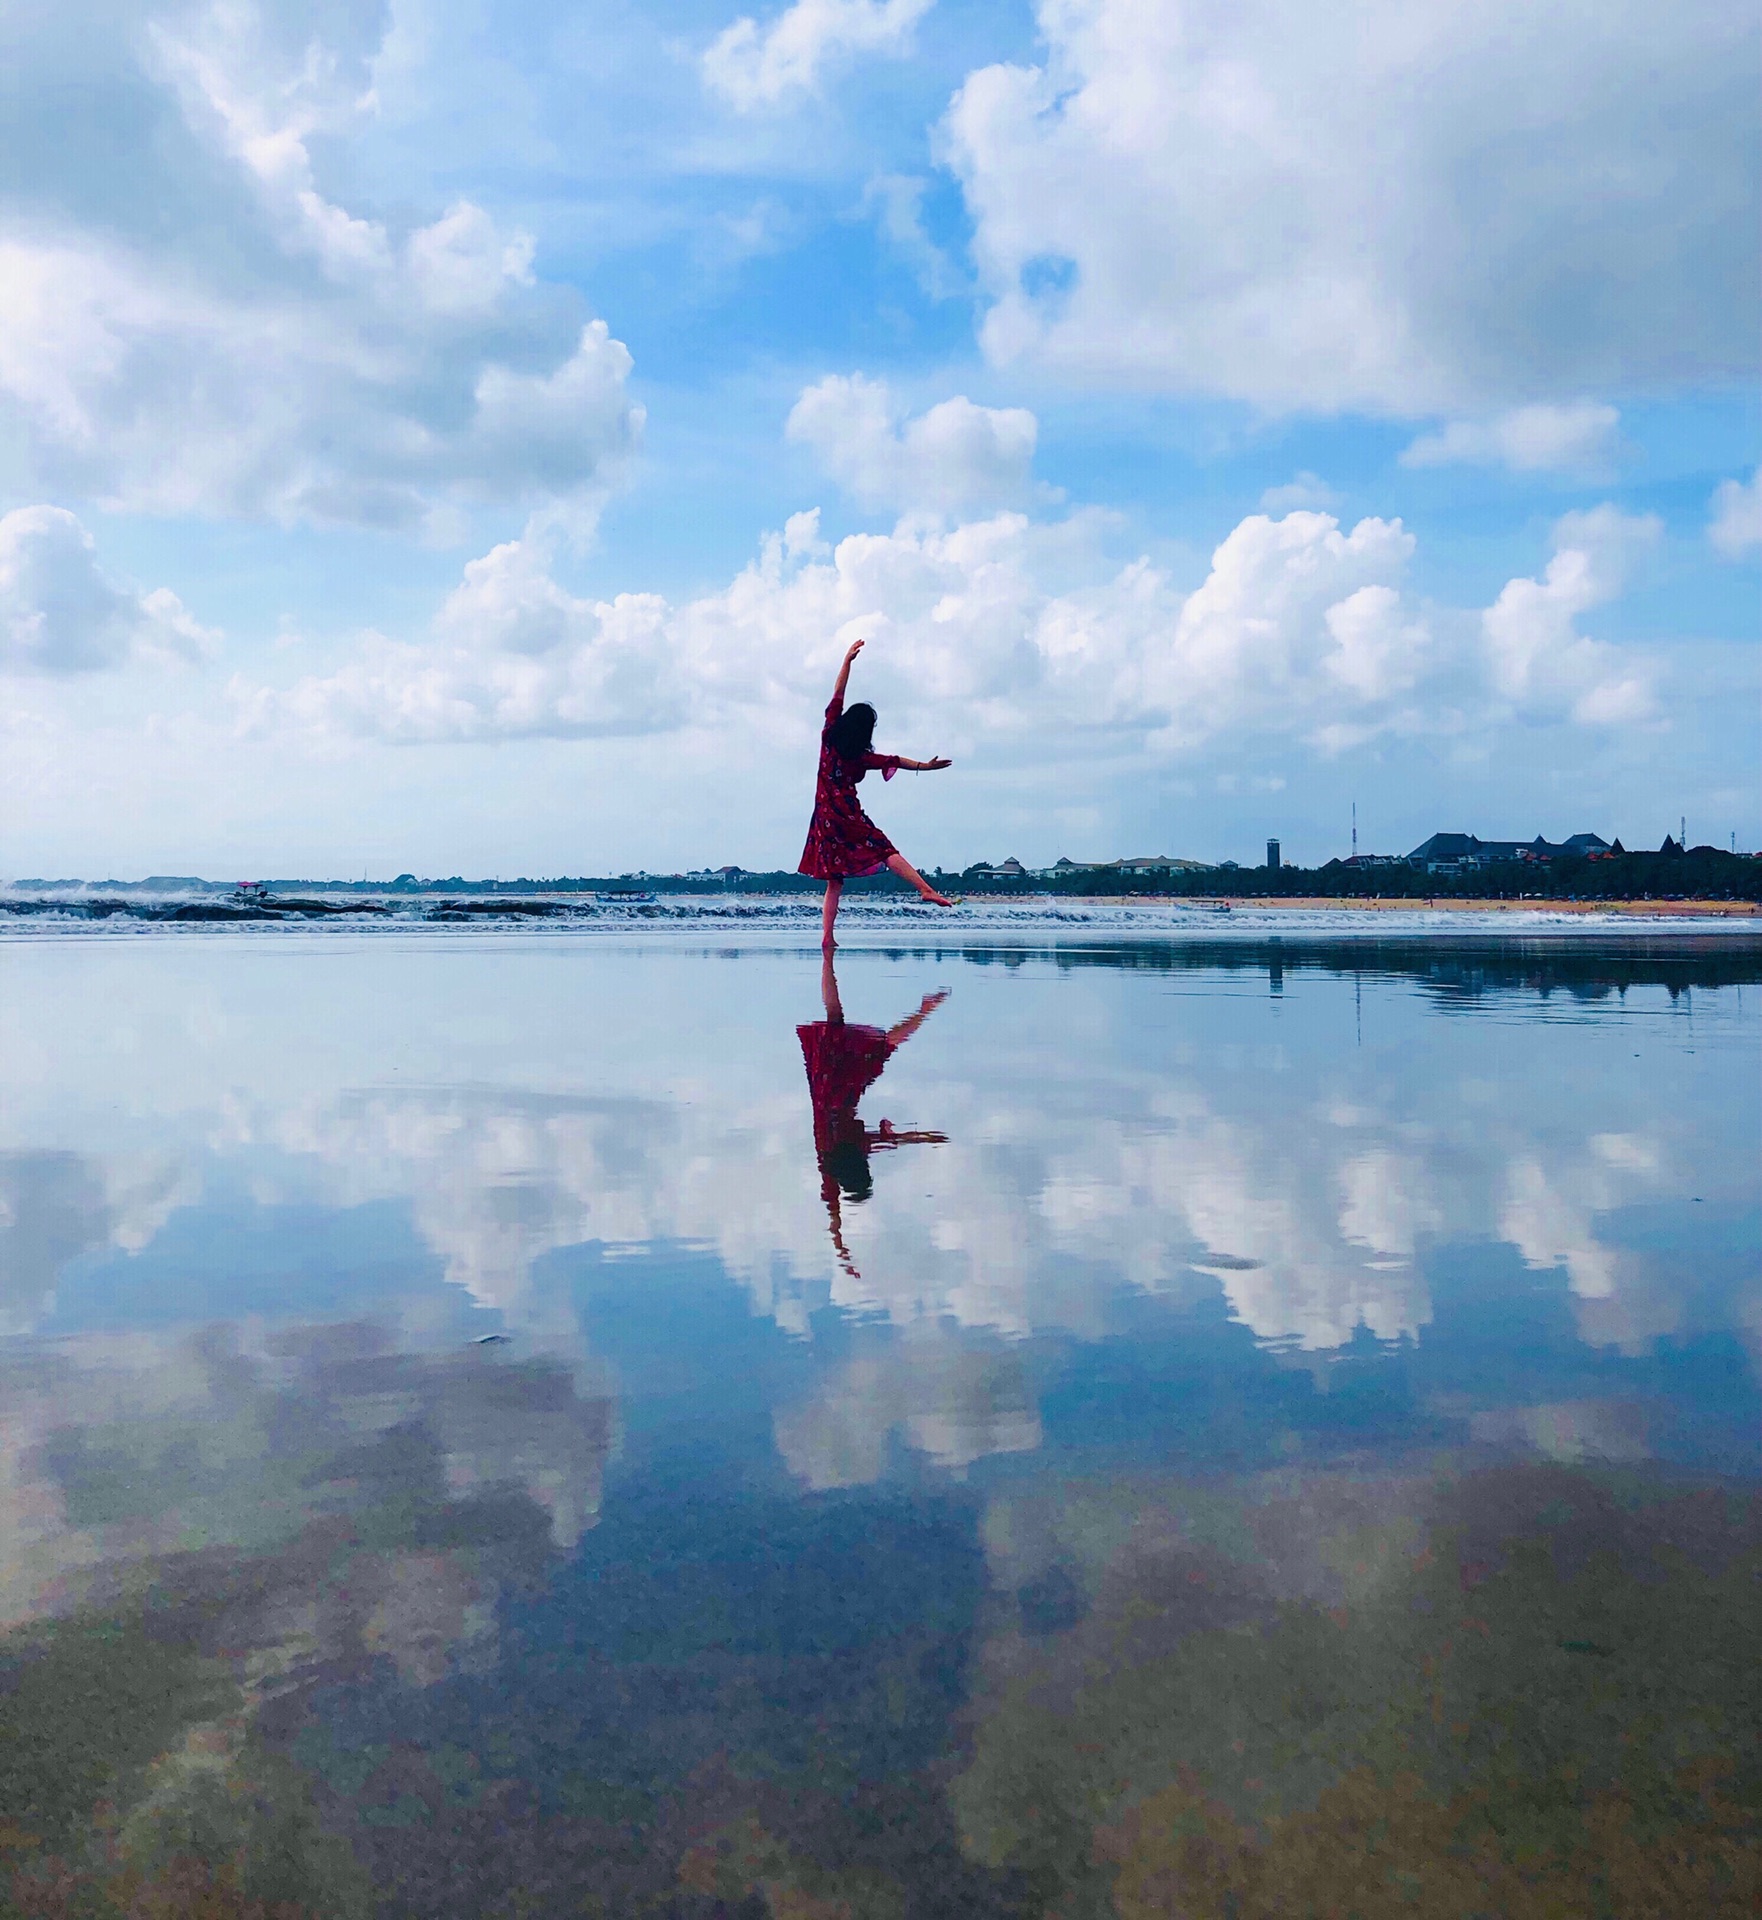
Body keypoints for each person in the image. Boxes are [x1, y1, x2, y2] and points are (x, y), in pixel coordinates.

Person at [797, 951, 947, 1278]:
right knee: (842, 1022)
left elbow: (892, 1143)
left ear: (860, 1168)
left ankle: (924, 1009)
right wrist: (840, 1249)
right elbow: (833, 1214)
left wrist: (925, 1137)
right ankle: (922, 1008)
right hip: (830, 1086)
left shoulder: (837, 1152)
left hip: (838, 1085)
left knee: (882, 1044)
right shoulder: (831, 1157)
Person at [798, 638, 954, 949]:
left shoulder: (829, 736)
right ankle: (925, 889)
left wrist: (847, 661)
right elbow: (895, 760)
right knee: (883, 849)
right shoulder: (860, 755)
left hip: (825, 820)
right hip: (849, 816)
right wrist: (927, 766)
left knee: (834, 880)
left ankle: (827, 937)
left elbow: (837, 693)